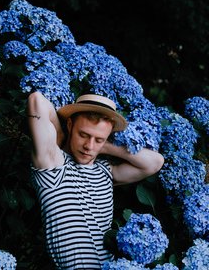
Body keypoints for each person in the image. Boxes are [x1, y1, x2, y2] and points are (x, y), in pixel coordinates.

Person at [27, 91, 164, 270]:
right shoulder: (53, 164)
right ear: (70, 125)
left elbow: (155, 162)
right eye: (83, 135)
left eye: (98, 139)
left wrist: (104, 146)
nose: (89, 146)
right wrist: (60, 136)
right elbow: (36, 100)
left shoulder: (106, 171)